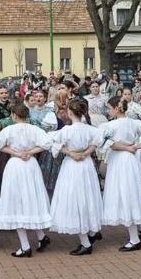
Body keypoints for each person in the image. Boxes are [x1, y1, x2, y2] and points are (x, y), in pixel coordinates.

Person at [0, 103, 53, 258]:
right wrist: (29, 152)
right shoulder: (35, 129)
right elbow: (47, 144)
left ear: (14, 116)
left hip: (15, 166)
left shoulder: (8, 130)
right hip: (30, 165)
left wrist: (14, 152)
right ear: (27, 115)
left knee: (16, 202)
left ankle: (25, 246)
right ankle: (41, 237)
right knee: (31, 199)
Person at [46, 99, 104, 255]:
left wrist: (71, 153)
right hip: (86, 166)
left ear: (70, 113)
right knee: (88, 197)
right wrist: (85, 153)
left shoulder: (66, 130)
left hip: (72, 166)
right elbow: (97, 141)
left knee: (75, 200)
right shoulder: (90, 129)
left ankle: (86, 242)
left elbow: (53, 143)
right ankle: (92, 232)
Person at [98, 96, 141, 251]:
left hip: (120, 162)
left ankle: (135, 239)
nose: (108, 111)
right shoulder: (135, 123)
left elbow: (106, 143)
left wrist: (129, 147)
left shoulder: (110, 125)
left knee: (124, 195)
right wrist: (135, 146)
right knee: (131, 193)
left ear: (116, 108)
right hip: (130, 160)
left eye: (109, 108)